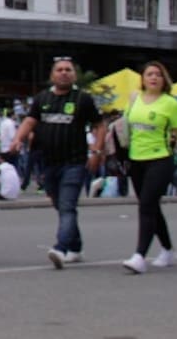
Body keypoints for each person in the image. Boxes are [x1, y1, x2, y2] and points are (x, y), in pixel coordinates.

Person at [8, 57, 107, 269]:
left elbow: (100, 125)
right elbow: (30, 120)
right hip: (48, 162)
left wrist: (97, 151)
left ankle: (60, 248)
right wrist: (18, 139)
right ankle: (76, 246)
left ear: (74, 75)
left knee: (67, 205)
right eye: (60, 70)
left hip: (75, 162)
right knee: (60, 205)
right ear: (53, 75)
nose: (64, 73)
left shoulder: (83, 99)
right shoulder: (42, 98)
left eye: (68, 70)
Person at [121, 61, 177, 274]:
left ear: (164, 79)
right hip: (136, 159)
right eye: (149, 74)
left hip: (160, 158)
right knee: (151, 207)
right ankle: (167, 249)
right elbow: (125, 127)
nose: (154, 78)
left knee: (146, 205)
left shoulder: (170, 104)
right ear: (143, 78)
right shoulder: (134, 99)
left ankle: (139, 256)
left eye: (158, 74)